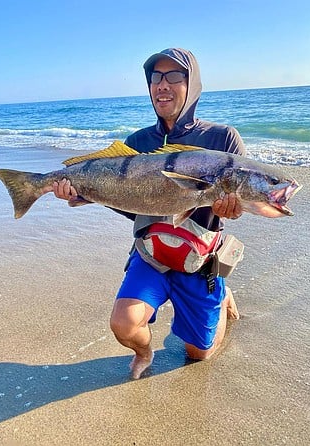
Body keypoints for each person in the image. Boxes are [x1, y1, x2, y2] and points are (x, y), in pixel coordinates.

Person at [53, 48, 242, 379]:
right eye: (156, 77)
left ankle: (222, 294)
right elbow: (132, 208)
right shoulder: (137, 142)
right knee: (123, 325)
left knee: (200, 354)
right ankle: (144, 351)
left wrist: (231, 207)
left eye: (174, 76)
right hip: (151, 251)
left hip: (198, 257)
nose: (162, 85)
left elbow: (234, 207)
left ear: (192, 83)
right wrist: (87, 194)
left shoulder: (222, 138)